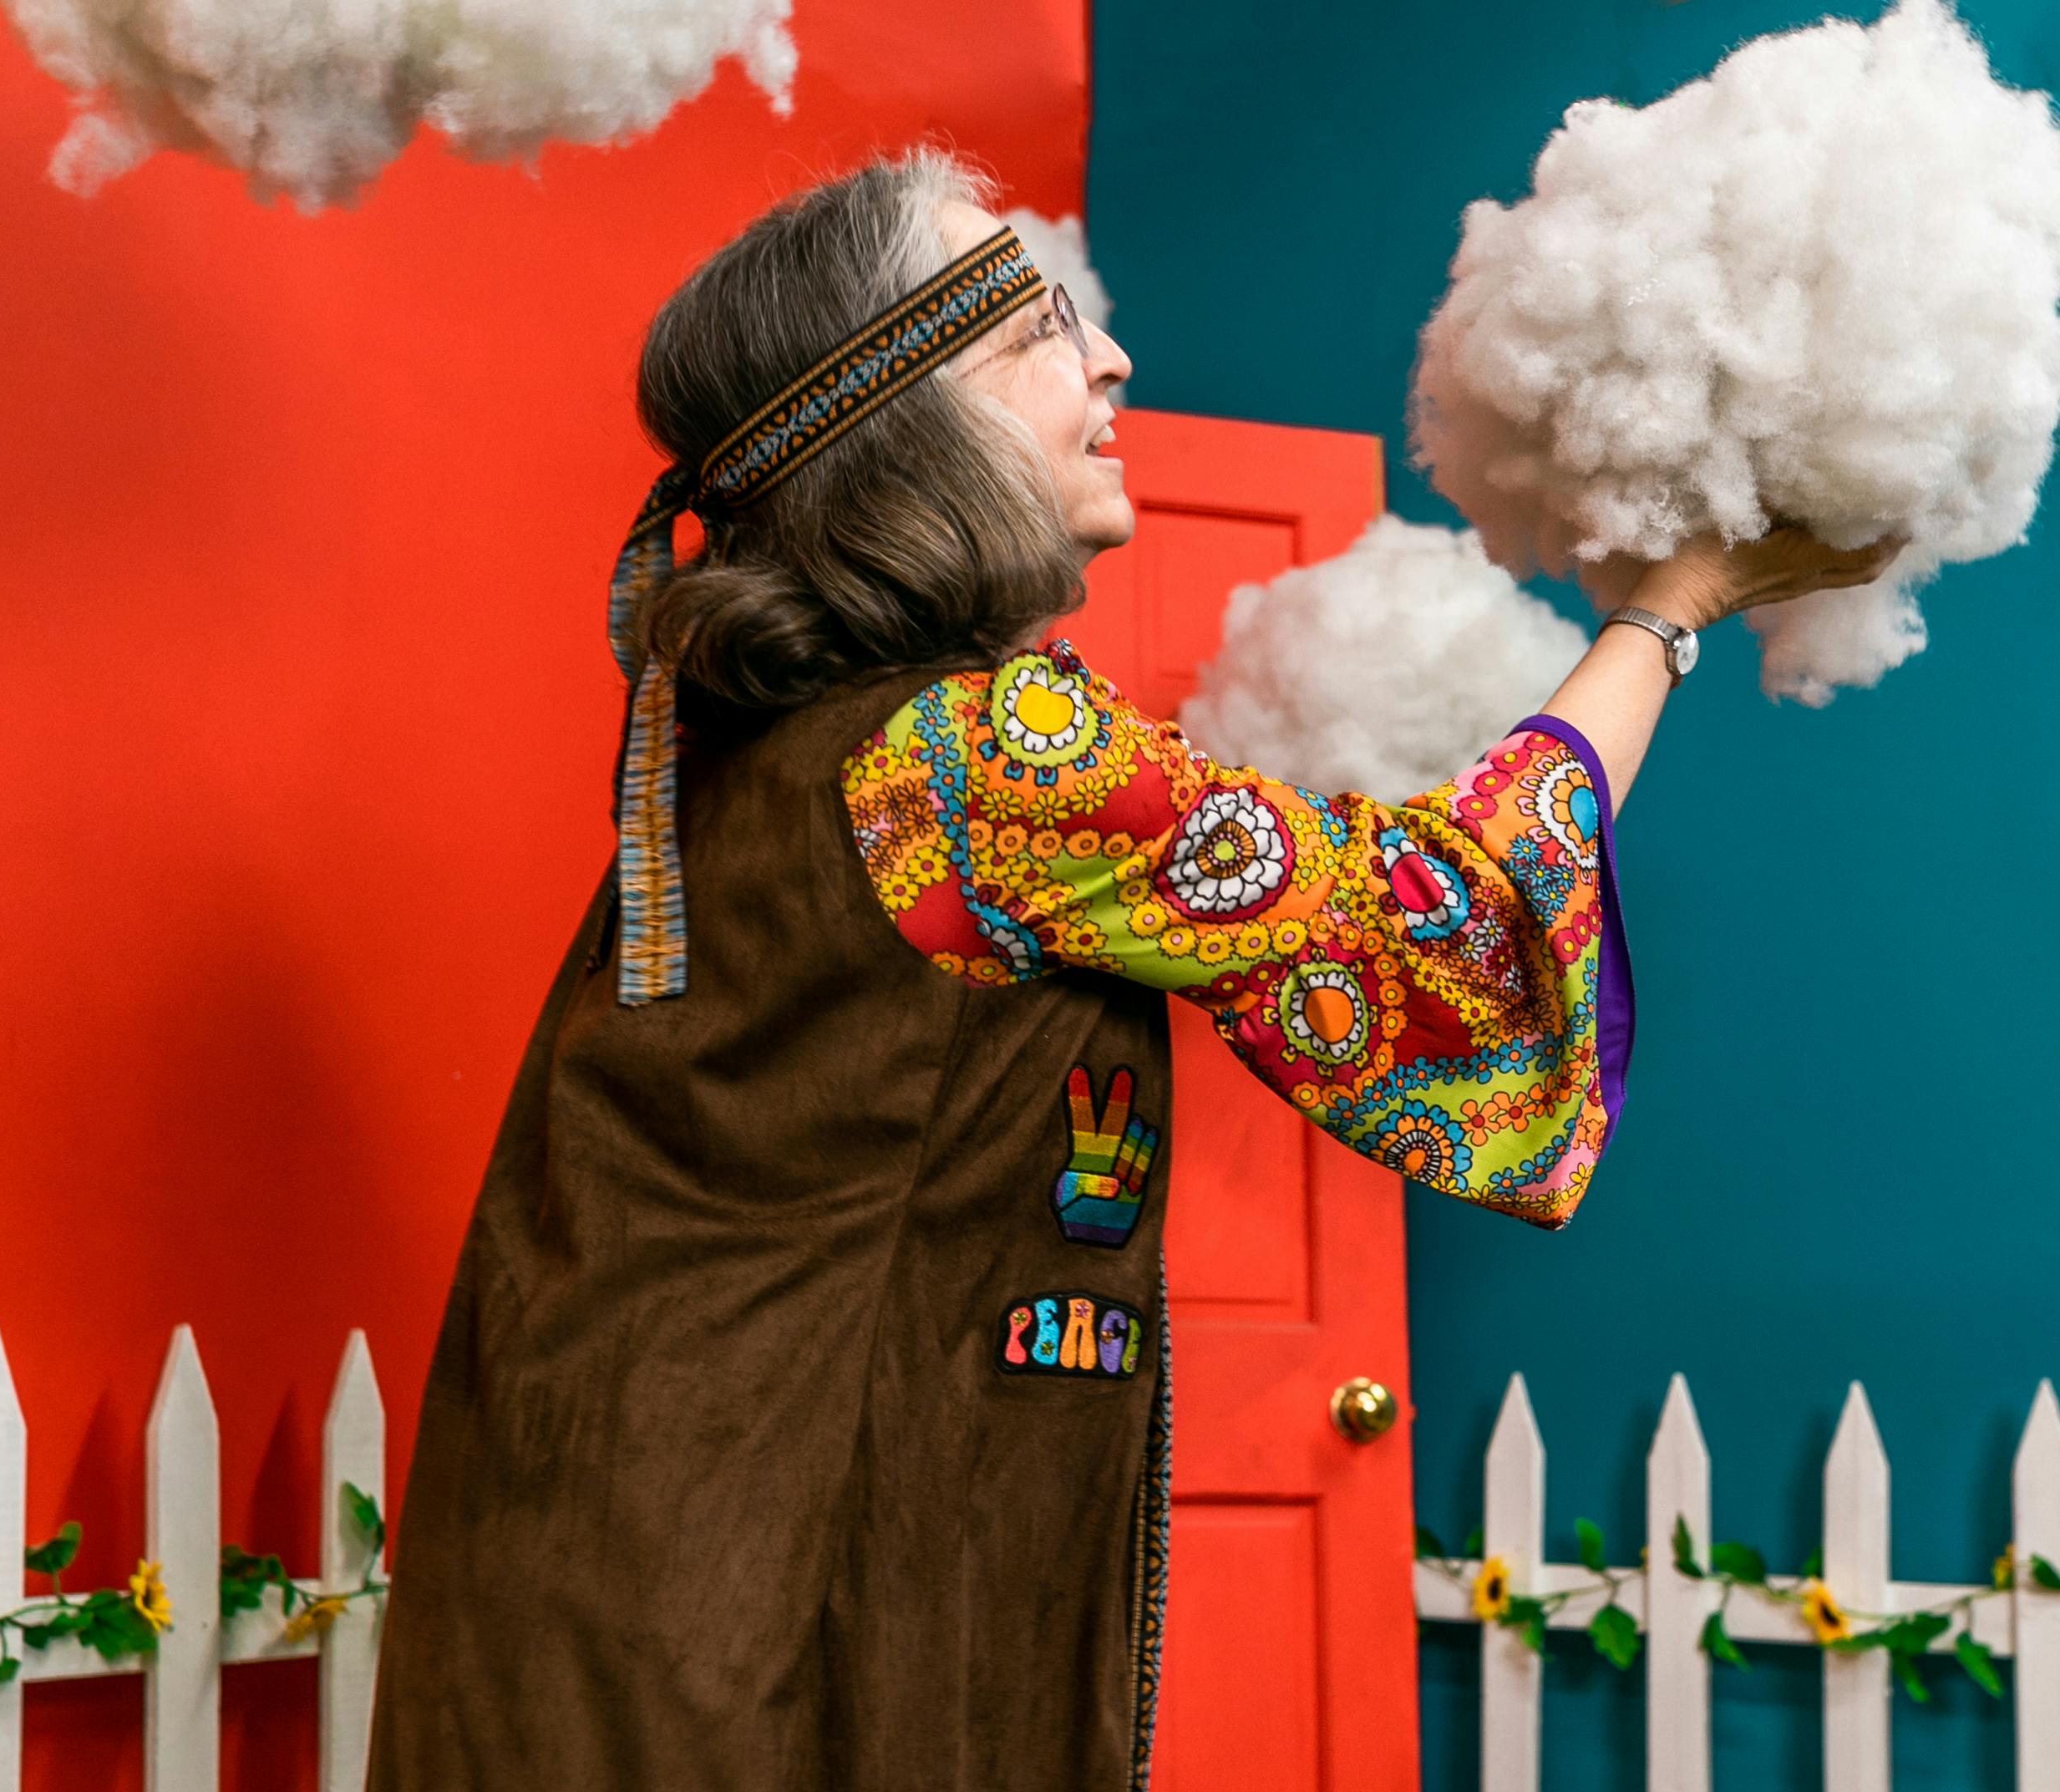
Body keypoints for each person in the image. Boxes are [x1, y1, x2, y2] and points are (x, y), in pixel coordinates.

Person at [365, 149, 1898, 1792]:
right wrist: (1677, 604)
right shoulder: (982, 764)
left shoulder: (802, 747)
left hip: (618, 1611)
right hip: (746, 1656)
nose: (1111, 357)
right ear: (906, 424)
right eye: (1035, 327)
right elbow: (1443, 924)